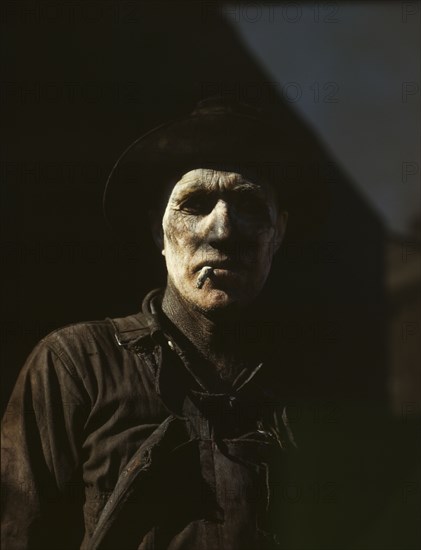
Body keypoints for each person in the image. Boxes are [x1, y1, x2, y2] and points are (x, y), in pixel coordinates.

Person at [1, 97, 326, 549]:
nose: (223, 229)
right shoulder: (76, 365)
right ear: (159, 231)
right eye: (195, 204)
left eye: (248, 204)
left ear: (279, 233)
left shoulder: (315, 383)